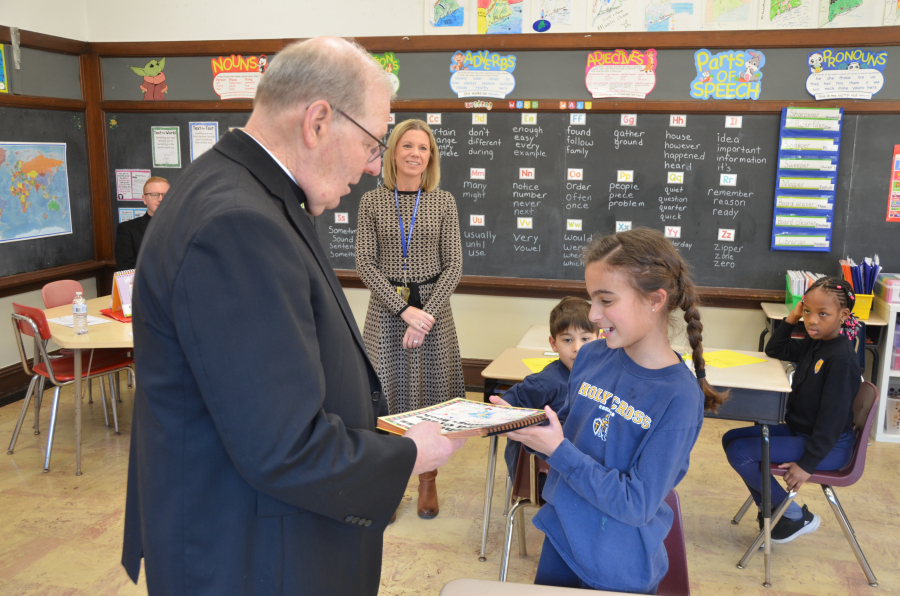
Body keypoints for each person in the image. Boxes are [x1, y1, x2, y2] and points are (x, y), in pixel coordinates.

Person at [121, 37, 465, 596]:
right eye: (375, 142)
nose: (374, 164)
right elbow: (283, 446)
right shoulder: (236, 223)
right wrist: (410, 453)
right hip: (252, 556)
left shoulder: (247, 191)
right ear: (319, 121)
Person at [493, 228, 727, 594]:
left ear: (655, 300)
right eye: (591, 300)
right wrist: (527, 428)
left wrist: (557, 450)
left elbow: (636, 503)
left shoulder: (679, 397)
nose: (593, 315)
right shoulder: (591, 356)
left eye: (606, 300)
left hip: (616, 565)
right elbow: (572, 432)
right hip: (562, 538)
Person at [356, 118, 464, 519]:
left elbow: (453, 265)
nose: (415, 154)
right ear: (393, 153)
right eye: (408, 146)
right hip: (388, 314)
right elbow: (365, 264)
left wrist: (425, 316)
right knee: (387, 399)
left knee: (430, 399)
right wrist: (404, 312)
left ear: (430, 157)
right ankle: (387, 481)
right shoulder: (372, 201)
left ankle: (427, 479)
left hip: (434, 315)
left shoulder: (444, 201)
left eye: (423, 148)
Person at [723, 276, 861, 543]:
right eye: (808, 311)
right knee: (730, 438)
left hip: (827, 447)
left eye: (823, 314)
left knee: (741, 454)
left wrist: (807, 464)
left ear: (843, 315)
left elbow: (832, 423)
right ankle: (774, 510)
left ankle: (793, 514)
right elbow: (775, 348)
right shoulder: (817, 342)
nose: (812, 320)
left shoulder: (841, 359)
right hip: (801, 432)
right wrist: (794, 315)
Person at [501, 296, 598, 479]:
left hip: (581, 471)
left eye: (585, 338)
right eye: (567, 340)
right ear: (553, 344)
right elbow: (507, 405)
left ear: (599, 339)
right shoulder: (545, 382)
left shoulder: (604, 377)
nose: (577, 347)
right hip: (542, 476)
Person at [114, 176, 169, 270]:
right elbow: (126, 269)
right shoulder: (127, 230)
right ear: (144, 199)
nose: (160, 199)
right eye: (155, 195)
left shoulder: (182, 227)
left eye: (165, 195)